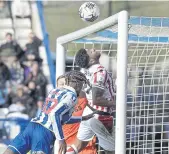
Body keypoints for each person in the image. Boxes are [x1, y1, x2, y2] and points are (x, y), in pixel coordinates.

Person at [3, 70, 96, 154]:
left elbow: (59, 117)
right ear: (78, 84)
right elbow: (54, 114)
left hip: (32, 126)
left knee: (9, 152)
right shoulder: (72, 96)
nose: (82, 88)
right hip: (44, 132)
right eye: (82, 84)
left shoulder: (55, 90)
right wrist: (61, 140)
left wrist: (81, 118)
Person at [66, 48, 115, 154]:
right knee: (112, 150)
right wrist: (116, 103)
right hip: (100, 116)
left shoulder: (83, 71)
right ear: (92, 61)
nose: (93, 49)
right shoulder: (100, 71)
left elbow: (83, 93)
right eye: (91, 52)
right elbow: (97, 100)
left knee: (77, 146)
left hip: (88, 113)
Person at [57, 75, 97, 154]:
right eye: (61, 84)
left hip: (86, 146)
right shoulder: (56, 103)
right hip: (67, 146)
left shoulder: (83, 98)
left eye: (66, 84)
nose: (63, 86)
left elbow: (95, 109)